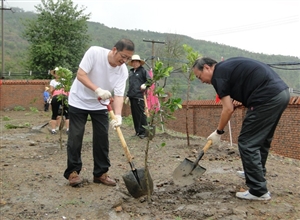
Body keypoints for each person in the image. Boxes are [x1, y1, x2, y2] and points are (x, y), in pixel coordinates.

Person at [192, 57, 290, 201]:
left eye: (199, 77)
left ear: (207, 67)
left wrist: (218, 132)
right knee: (261, 141)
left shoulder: (218, 75)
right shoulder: (226, 68)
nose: (201, 81)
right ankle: (255, 172)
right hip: (281, 94)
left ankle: (258, 191)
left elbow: (227, 109)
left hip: (266, 98)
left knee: (247, 142)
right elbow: (242, 88)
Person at [64, 39, 135, 187]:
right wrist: (97, 89)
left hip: (101, 105)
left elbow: (119, 95)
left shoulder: (122, 71)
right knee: (75, 136)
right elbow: (81, 75)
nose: (124, 60)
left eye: (128, 58)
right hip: (79, 100)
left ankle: (100, 173)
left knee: (102, 138)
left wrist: (118, 115)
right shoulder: (94, 53)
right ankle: (73, 172)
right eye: (123, 56)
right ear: (114, 49)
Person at [125, 54, 151, 139]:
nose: (135, 63)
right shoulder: (131, 72)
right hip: (132, 96)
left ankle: (144, 132)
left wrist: (145, 85)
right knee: (135, 115)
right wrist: (128, 95)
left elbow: (150, 81)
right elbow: (131, 85)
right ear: (132, 63)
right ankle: (138, 131)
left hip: (140, 96)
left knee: (141, 115)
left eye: (137, 61)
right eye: (134, 62)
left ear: (139, 62)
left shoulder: (143, 71)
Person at [49, 68, 70, 134]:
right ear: (54, 74)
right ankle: (65, 129)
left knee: (64, 114)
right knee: (62, 114)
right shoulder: (55, 81)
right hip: (60, 97)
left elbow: (51, 91)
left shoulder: (56, 81)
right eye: (56, 73)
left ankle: (55, 130)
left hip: (61, 97)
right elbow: (67, 90)